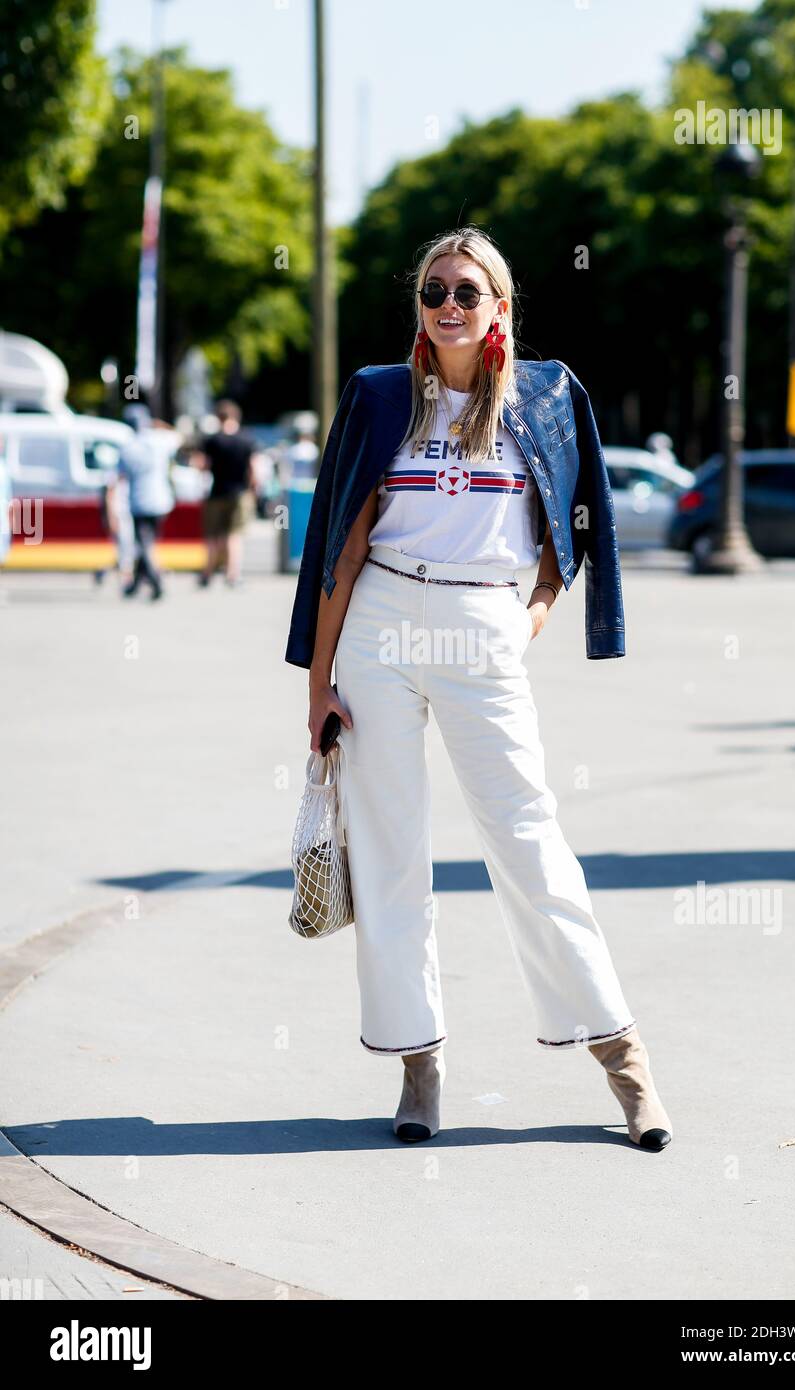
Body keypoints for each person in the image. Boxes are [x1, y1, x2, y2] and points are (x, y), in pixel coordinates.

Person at [285, 227, 673, 1153]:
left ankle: (626, 1061)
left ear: (500, 305)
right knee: (388, 854)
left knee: (529, 840)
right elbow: (343, 544)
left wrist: (524, 620)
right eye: (432, 292)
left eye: (466, 291)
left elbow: (568, 536)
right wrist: (320, 687)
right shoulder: (382, 395)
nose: (447, 306)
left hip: (483, 629)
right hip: (380, 623)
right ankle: (420, 1064)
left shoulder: (544, 397)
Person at [107, 408, 175, 600]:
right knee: (147, 542)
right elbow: (176, 435)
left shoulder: (127, 448)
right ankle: (136, 584)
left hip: (139, 501)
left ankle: (155, 580)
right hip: (162, 500)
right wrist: (158, 424)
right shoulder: (159, 441)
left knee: (145, 544)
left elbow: (117, 479)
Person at [191, 400, 255, 587]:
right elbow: (253, 470)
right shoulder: (246, 439)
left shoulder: (211, 440)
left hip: (217, 492)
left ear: (219, 418)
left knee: (213, 535)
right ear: (236, 416)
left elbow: (202, 466)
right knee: (234, 536)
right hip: (240, 493)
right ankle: (233, 574)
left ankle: (207, 573)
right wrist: (252, 490)